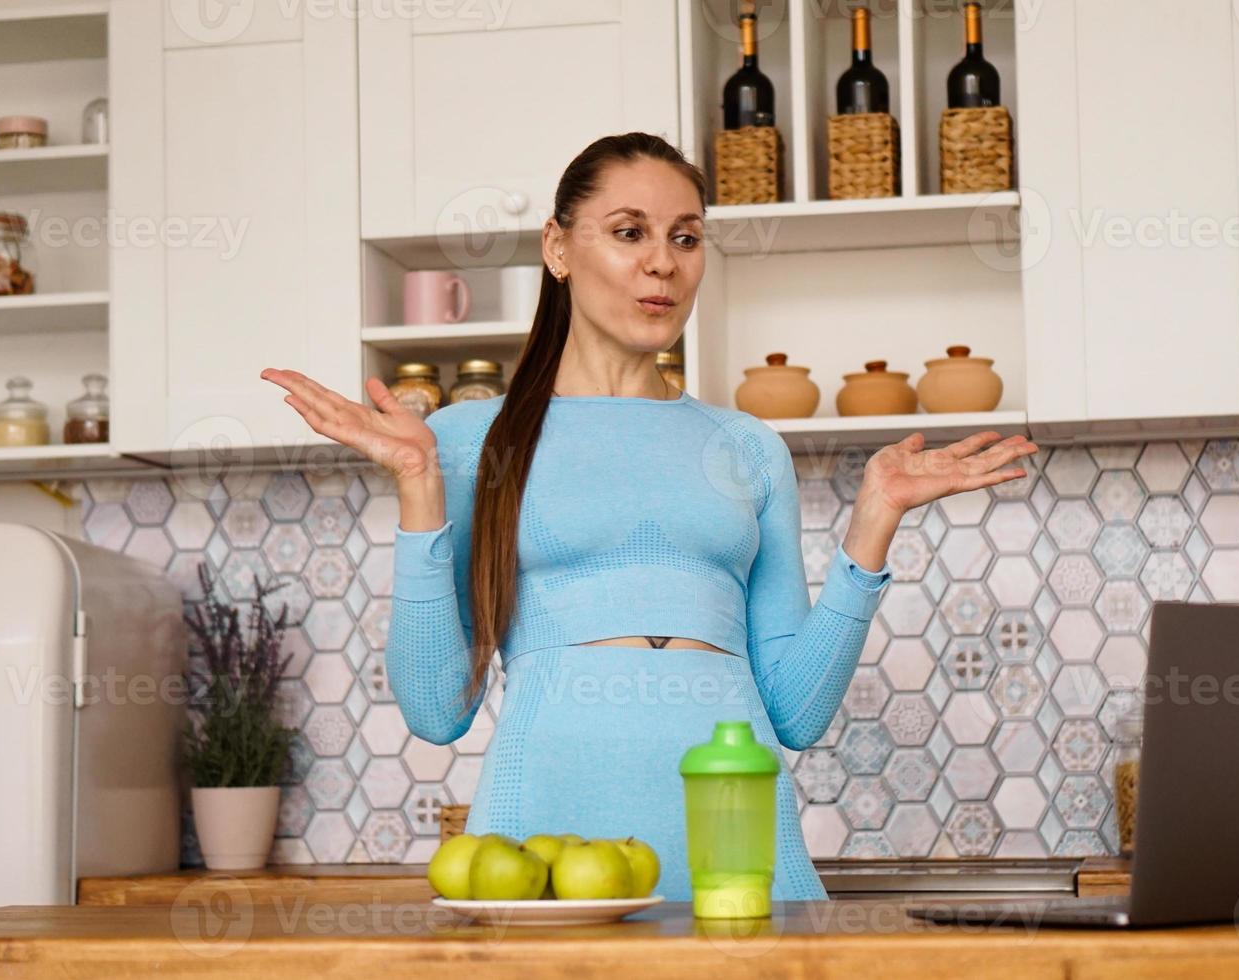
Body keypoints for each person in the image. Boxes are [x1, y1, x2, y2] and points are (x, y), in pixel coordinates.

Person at [262, 132, 1037, 901]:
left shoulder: (746, 447)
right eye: (629, 233)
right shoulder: (471, 444)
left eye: (685, 237)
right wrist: (418, 484)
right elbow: (435, 710)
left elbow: (795, 715)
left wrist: (874, 520)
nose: (662, 262)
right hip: (543, 849)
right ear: (558, 249)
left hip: (742, 855)